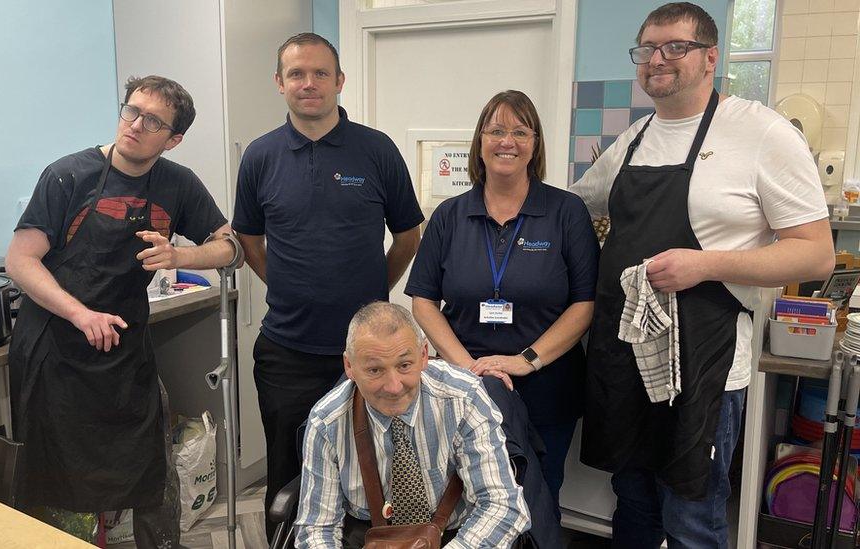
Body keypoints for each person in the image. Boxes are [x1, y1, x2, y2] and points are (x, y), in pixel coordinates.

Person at [569, 3, 834, 547]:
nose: (657, 60)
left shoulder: (761, 132)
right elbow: (574, 204)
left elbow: (815, 255)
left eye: (675, 47)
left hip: (707, 364)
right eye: (646, 50)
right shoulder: (634, 138)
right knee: (633, 496)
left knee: (691, 512)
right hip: (628, 354)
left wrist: (705, 265)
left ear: (710, 57)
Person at [6, 75, 239, 547]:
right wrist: (80, 314)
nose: (134, 124)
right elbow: (20, 260)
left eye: (152, 121)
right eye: (130, 110)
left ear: (173, 139)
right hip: (55, 352)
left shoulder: (177, 184)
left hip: (125, 352)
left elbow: (230, 248)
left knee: (150, 468)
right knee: (53, 477)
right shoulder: (67, 176)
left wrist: (181, 256)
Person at [232, 32, 424, 538]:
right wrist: (285, 283)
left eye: (320, 73)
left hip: (368, 357)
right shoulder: (260, 156)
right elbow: (248, 237)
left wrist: (371, 292)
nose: (309, 83)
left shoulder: (376, 151)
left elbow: (408, 235)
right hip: (287, 352)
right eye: (296, 74)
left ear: (340, 81)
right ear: (280, 83)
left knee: (370, 473)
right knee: (289, 479)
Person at [404, 90, 599, 515]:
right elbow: (422, 299)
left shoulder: (567, 213)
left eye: (519, 131)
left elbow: (584, 304)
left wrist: (526, 360)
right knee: (465, 494)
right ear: (479, 141)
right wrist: (466, 366)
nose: (506, 141)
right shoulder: (450, 216)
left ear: (535, 143)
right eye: (495, 130)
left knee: (539, 494)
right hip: (464, 386)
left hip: (546, 385)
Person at [295, 302, 531, 548]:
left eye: (404, 365)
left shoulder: (464, 398)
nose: (394, 386)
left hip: (459, 536)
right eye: (375, 370)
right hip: (367, 536)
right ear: (349, 367)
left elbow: (501, 505)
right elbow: (317, 529)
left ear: (423, 355)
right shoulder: (326, 421)